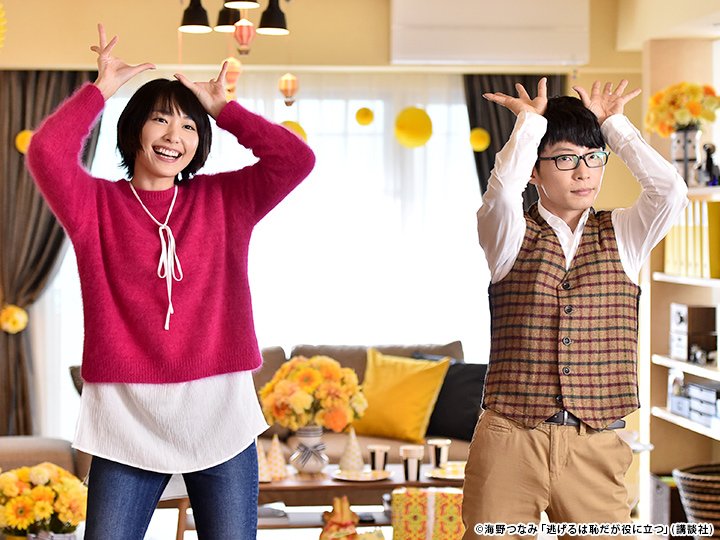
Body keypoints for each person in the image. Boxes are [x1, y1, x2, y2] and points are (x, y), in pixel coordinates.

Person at [26, 24, 315, 539]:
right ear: (135, 128)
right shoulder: (94, 206)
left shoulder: (225, 200)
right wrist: (101, 90)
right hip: (126, 420)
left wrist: (224, 110)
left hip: (220, 415)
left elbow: (296, 159)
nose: (173, 136)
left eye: (188, 125)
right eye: (160, 119)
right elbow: (46, 152)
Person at [462, 78, 687, 539]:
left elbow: (670, 192)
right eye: (565, 159)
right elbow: (501, 194)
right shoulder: (507, 233)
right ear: (535, 171)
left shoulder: (625, 234)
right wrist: (529, 125)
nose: (583, 173)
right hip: (510, 439)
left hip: (595, 442)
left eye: (593, 157)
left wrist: (613, 127)